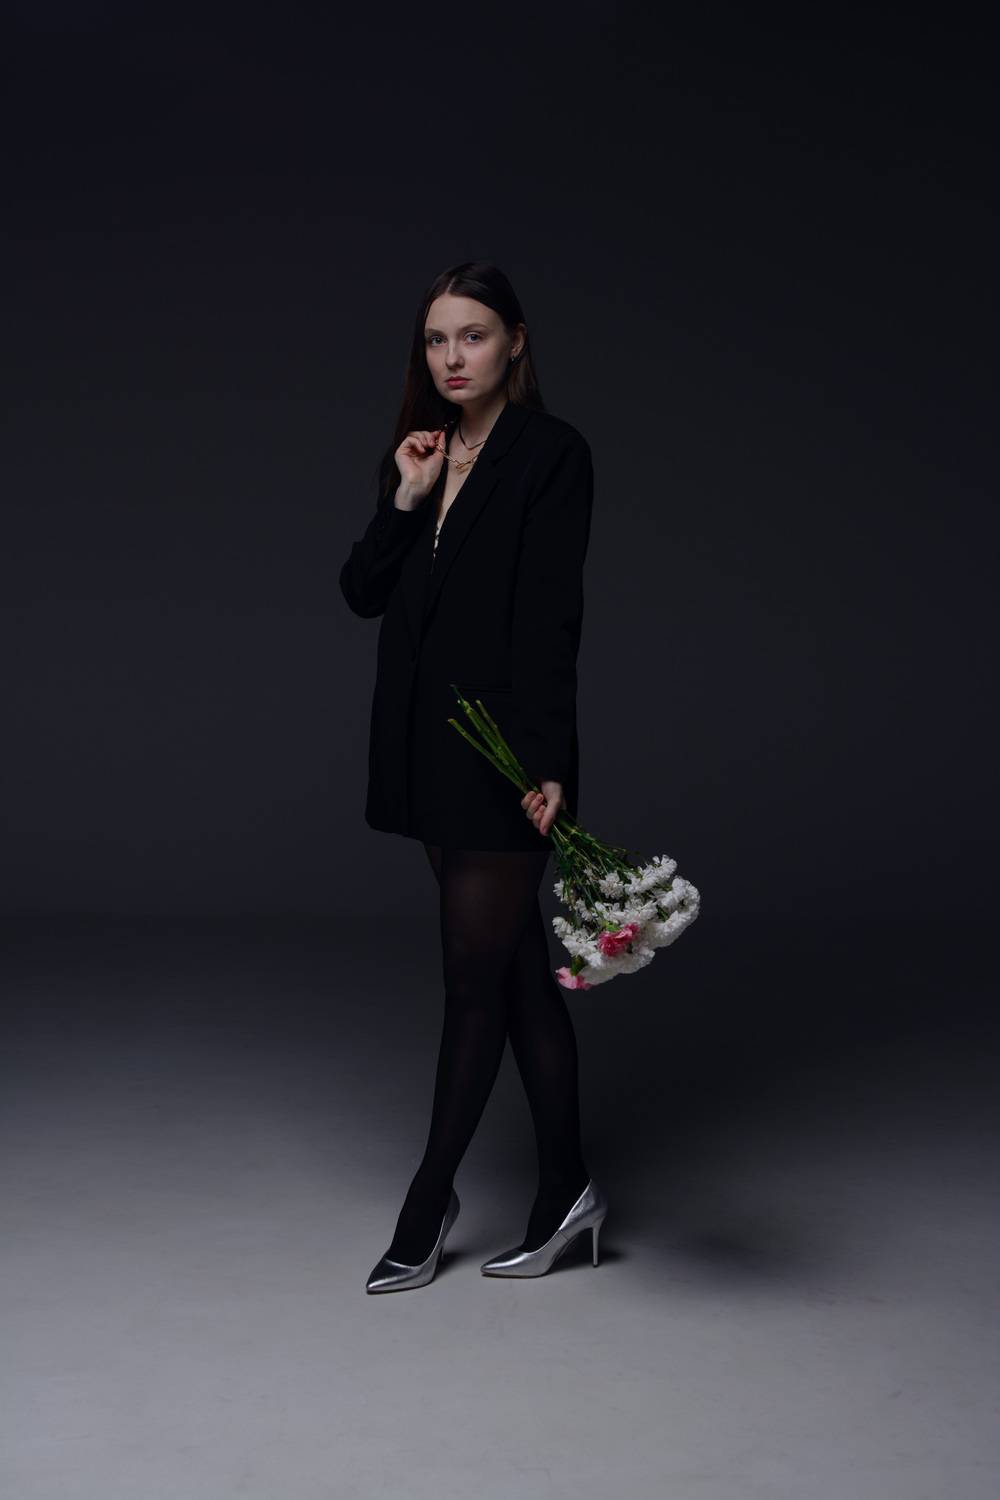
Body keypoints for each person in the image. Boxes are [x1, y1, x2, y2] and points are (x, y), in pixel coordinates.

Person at [339, 260, 608, 1291]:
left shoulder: (552, 455)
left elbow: (551, 622)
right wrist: (406, 498)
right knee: (512, 976)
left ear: (516, 343)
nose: (453, 357)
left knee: (472, 982)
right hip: (426, 748)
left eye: (474, 335)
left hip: (504, 758)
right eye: (436, 339)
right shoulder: (419, 452)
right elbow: (363, 591)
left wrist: (548, 765)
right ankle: (568, 1189)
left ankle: (426, 1203)